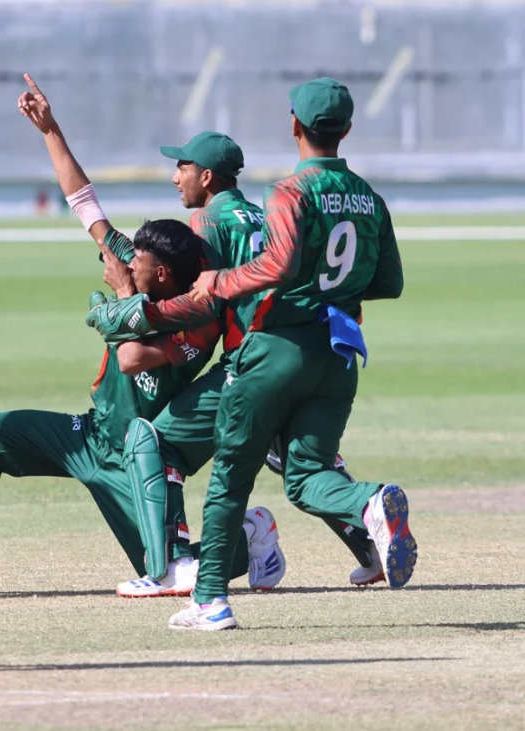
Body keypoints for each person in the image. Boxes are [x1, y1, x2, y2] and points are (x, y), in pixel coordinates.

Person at [0, 77, 270, 597]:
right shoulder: (142, 269)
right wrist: (50, 130)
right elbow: (85, 206)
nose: (122, 260)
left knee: (170, 567)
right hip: (89, 433)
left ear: (160, 274)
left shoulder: (197, 321)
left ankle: (250, 538)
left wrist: (118, 302)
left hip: (130, 461)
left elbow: (133, 359)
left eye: (135, 258)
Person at [84, 129, 384, 593]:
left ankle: (171, 568)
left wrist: (132, 311)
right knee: (300, 463)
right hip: (307, 346)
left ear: (205, 177)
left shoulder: (208, 223)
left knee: (159, 444)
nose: (174, 176)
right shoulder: (259, 212)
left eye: (181, 167)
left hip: (252, 357)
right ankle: (370, 543)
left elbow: (196, 295)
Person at [167, 77, 411, 630]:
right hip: (340, 351)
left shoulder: (290, 192)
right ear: (346, 129)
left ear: (295, 125)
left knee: (232, 474)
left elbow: (275, 268)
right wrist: (334, 290)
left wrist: (220, 282)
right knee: (306, 476)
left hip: (278, 348)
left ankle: (209, 601)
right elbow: (390, 281)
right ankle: (371, 503)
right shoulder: (370, 196)